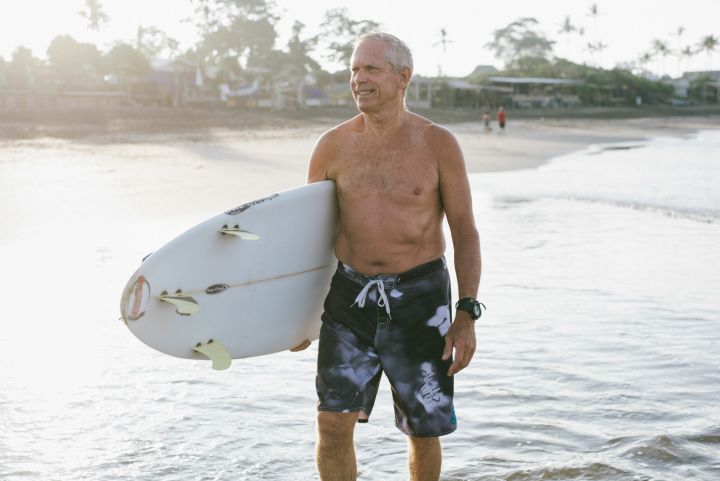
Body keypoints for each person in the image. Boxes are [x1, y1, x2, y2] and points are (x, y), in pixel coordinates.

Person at [293, 32, 482, 481]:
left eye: (370, 69)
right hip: (349, 297)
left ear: (403, 77)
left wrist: (467, 313)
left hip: (421, 299)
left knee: (422, 427)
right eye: (355, 70)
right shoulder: (332, 145)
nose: (358, 79)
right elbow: (308, 236)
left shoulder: (437, 144)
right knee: (332, 421)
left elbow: (464, 229)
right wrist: (295, 317)